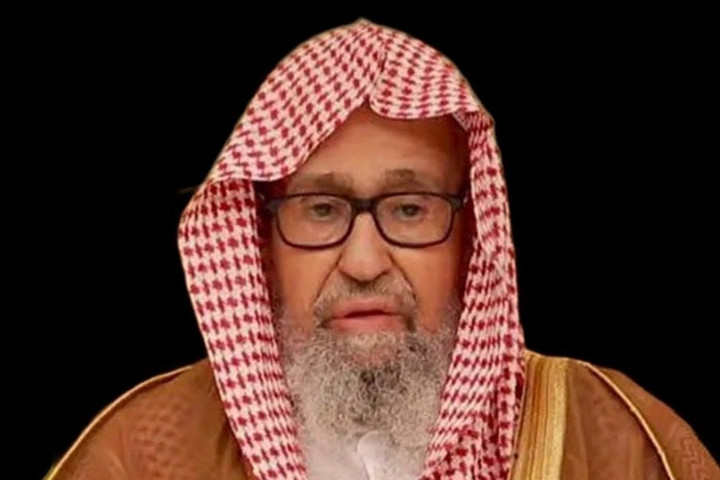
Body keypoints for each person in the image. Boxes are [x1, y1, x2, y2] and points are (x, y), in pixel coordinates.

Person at [47, 18, 718, 480]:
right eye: (320, 210)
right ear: (260, 242)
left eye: (409, 208)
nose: (365, 263)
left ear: (472, 238)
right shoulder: (142, 452)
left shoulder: (616, 440)